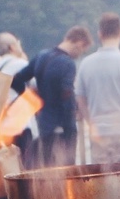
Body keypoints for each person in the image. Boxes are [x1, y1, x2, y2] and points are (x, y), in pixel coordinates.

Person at [75, 12, 120, 165]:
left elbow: (81, 101)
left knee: (103, 185)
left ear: (99, 35)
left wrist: (92, 124)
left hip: (100, 135)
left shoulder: (85, 64)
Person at [13, 26, 92, 168]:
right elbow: (66, 95)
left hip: (44, 125)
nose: (79, 54)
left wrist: (32, 99)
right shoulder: (68, 63)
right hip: (63, 128)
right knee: (66, 173)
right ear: (79, 43)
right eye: (82, 50)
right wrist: (70, 125)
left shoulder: (41, 56)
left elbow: (16, 80)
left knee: (49, 171)